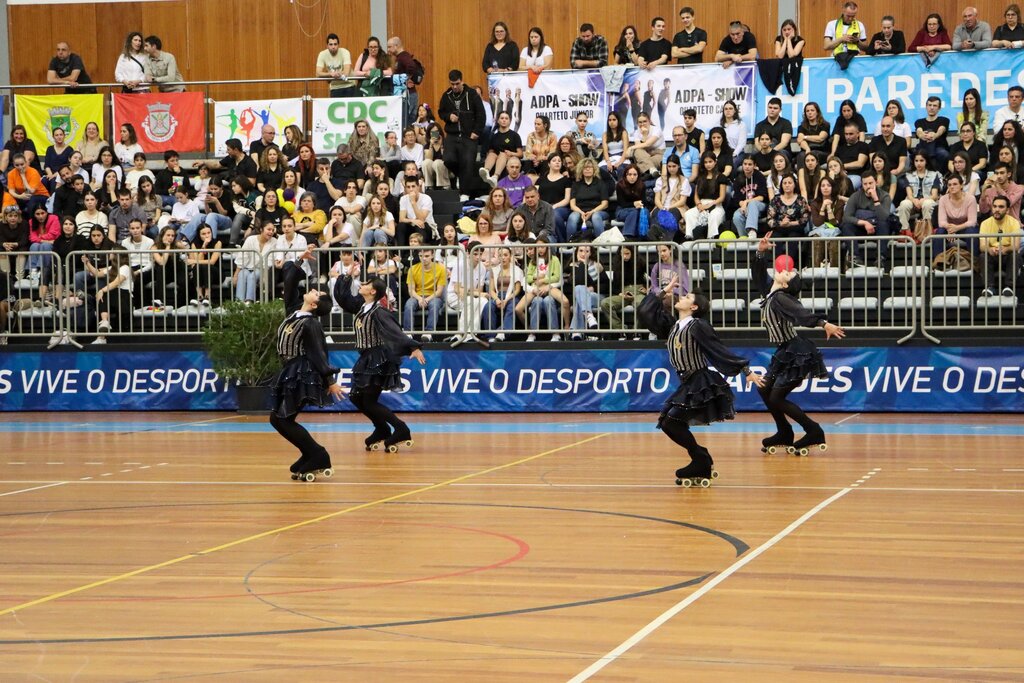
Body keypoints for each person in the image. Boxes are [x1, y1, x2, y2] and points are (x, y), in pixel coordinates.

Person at [638, 276, 762, 485]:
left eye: (687, 297)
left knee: (670, 423)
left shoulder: (697, 326)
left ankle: (701, 458)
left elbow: (718, 349)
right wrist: (663, 291)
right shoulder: (672, 326)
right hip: (687, 383)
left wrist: (745, 369)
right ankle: (701, 458)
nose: (681, 296)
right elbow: (644, 312)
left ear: (694, 307)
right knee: (669, 423)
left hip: (700, 381)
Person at [753, 232, 845, 454]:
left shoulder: (781, 298)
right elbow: (759, 276)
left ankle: (813, 430)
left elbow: (802, 315)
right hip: (785, 350)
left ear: (785, 283)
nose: (785, 270)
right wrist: (760, 253)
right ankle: (784, 432)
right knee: (765, 390)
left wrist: (824, 323)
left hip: (796, 351)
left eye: (788, 272)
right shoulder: (771, 292)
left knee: (776, 397)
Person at [333, 265, 426, 451]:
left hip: (379, 358)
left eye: (366, 283)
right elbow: (342, 299)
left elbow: (395, 331)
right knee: (356, 397)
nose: (362, 283)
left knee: (368, 401)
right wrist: (346, 277)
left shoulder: (379, 311)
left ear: (373, 291)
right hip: (367, 357)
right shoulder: (361, 306)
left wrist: (413, 347)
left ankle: (401, 429)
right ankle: (382, 429)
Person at [270, 281, 343, 481]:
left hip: (302, 373)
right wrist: (297, 265)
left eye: (316, 294)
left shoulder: (311, 323)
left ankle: (318, 454)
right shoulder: (294, 313)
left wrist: (330, 380)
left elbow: (319, 353)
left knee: (282, 419)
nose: (312, 290)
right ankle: (310, 453)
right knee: (278, 419)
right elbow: (289, 286)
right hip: (290, 370)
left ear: (314, 305)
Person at [438, 70, 485, 197]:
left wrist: (476, 131)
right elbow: (441, 112)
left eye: (457, 83)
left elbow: (481, 114)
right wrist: (449, 116)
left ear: (462, 81)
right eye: (452, 84)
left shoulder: (472, 94)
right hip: (452, 135)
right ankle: (459, 176)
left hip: (469, 135)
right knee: (448, 160)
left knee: (468, 163)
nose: (454, 86)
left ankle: (465, 193)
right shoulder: (446, 95)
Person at [516, 237, 565, 341]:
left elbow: (557, 277)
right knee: (520, 308)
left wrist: (544, 281)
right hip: (535, 289)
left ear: (547, 247)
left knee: (551, 301)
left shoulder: (554, 259)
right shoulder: (533, 261)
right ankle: (531, 332)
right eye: (538, 247)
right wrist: (535, 278)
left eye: (542, 247)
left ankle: (556, 333)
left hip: (549, 288)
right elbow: (527, 278)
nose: (540, 249)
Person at [842, 172, 892, 268]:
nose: (868, 186)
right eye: (865, 184)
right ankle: (855, 257)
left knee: (884, 224)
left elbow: (884, 217)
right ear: (862, 184)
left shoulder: (884, 196)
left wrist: (876, 199)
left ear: (876, 182)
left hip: (878, 229)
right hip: (861, 228)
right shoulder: (855, 196)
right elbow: (846, 217)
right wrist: (864, 223)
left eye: (870, 183)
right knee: (847, 227)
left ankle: (880, 258)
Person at [978, 195, 1021, 297]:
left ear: (1007, 210)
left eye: (1001, 207)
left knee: (1015, 255)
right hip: (993, 255)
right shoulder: (985, 223)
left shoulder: (1014, 223)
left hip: (1007, 256)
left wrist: (1005, 249)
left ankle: (1009, 287)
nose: (997, 209)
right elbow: (982, 246)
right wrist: (990, 249)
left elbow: (1016, 246)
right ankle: (989, 287)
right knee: (983, 256)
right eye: (995, 206)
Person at [684, 153, 728, 240]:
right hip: (701, 204)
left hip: (716, 205)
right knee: (688, 214)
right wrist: (699, 205)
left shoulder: (721, 177)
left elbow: (722, 197)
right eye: (706, 162)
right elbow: (696, 196)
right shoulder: (700, 177)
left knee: (714, 215)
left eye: (710, 162)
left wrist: (709, 205)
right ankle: (691, 238)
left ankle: (710, 239)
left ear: (715, 162)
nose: (708, 164)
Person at [935, 174, 978, 260]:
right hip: (949, 229)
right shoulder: (943, 199)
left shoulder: (970, 199)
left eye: (955, 184)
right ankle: (938, 262)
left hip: (965, 228)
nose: (952, 187)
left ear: (961, 185)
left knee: (971, 231)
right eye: (949, 185)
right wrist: (951, 229)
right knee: (940, 232)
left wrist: (956, 228)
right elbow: (942, 222)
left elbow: (972, 221)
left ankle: (974, 261)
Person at [567, 158, 609, 239]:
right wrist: (581, 213)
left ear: (594, 169)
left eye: (590, 167)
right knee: (572, 217)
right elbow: (572, 205)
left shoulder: (600, 183)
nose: (587, 169)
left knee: (595, 217)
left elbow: (605, 204)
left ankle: (601, 242)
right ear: (581, 170)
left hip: (598, 211)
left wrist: (592, 212)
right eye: (585, 168)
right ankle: (570, 243)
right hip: (580, 211)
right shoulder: (576, 185)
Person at [481, 111, 523, 183]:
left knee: (503, 154)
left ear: (510, 121)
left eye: (506, 118)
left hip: (510, 158)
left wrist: (511, 153)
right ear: (498, 120)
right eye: (502, 118)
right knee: (492, 154)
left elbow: (520, 154)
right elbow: (490, 151)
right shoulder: (494, 136)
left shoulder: (514, 135)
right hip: (497, 159)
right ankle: (486, 172)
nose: (504, 120)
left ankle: (495, 177)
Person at [732, 155, 769, 238]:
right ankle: (744, 238)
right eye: (745, 164)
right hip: (745, 206)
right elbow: (737, 199)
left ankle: (752, 230)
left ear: (754, 165)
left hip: (760, 206)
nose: (747, 166)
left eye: (750, 164)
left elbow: (761, 197)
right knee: (737, 216)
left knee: (753, 204)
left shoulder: (760, 177)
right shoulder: (738, 179)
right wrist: (743, 205)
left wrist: (746, 202)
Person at [823, 2, 867, 68]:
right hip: (836, 61)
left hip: (855, 61)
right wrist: (841, 39)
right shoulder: (831, 24)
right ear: (843, 11)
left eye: (853, 16)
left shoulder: (860, 25)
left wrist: (857, 41)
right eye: (848, 16)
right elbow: (826, 46)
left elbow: (866, 48)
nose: (850, 19)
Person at [915, 96, 952, 169]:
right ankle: (933, 168)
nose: (931, 108)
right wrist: (922, 135)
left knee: (944, 154)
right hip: (923, 148)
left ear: (939, 108)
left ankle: (931, 167)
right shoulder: (919, 121)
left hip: (939, 148)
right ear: (926, 107)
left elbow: (941, 130)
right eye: (929, 105)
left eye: (935, 105)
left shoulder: (944, 120)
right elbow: (919, 131)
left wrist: (935, 135)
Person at [317, 33, 356, 97]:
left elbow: (346, 72)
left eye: (335, 44)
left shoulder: (345, 52)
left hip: (349, 85)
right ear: (327, 45)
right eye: (331, 44)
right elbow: (318, 73)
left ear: (338, 45)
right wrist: (330, 74)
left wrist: (335, 74)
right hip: (335, 87)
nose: (333, 47)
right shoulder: (322, 54)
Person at [772, 20, 805, 93]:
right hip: (782, 68)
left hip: (794, 68)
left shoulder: (800, 40)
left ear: (794, 29)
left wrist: (789, 40)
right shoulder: (778, 39)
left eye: (789, 29)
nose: (786, 32)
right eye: (784, 30)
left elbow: (791, 55)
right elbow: (780, 56)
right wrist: (785, 41)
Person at [834, 122, 870, 189]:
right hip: (840, 175)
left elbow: (860, 163)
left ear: (858, 134)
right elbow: (834, 163)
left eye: (851, 134)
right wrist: (840, 171)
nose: (848, 137)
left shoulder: (863, 146)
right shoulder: (840, 148)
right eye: (846, 134)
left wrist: (842, 167)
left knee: (847, 186)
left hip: (856, 176)